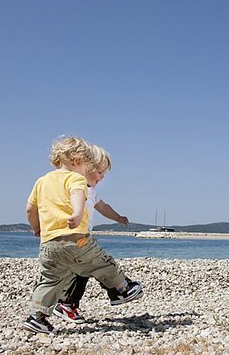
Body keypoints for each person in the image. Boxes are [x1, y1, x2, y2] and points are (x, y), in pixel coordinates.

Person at [22, 136, 143, 335]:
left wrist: (36, 227)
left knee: (50, 280)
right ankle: (122, 288)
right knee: (102, 263)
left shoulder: (41, 181)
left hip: (49, 244)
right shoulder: (76, 179)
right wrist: (77, 214)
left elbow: (30, 208)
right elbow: (77, 195)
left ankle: (37, 318)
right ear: (77, 160)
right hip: (76, 239)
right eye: (87, 163)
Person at [53, 144, 133, 324]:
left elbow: (103, 207)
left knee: (85, 270)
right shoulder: (73, 187)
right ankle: (118, 289)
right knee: (96, 264)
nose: (102, 176)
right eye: (99, 171)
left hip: (82, 238)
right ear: (84, 166)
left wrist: (118, 217)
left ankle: (70, 303)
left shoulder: (92, 191)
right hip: (72, 238)